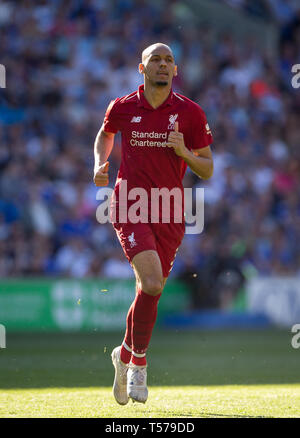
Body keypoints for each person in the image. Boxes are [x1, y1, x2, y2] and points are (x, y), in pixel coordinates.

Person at [93, 43, 213, 404]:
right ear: (141, 68)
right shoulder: (123, 106)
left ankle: (123, 354)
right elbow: (105, 133)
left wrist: (185, 153)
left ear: (175, 70)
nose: (163, 65)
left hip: (170, 211)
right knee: (151, 280)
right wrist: (100, 162)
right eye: (155, 60)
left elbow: (206, 168)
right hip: (130, 203)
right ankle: (140, 364)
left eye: (169, 60)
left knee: (151, 290)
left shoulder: (190, 114)